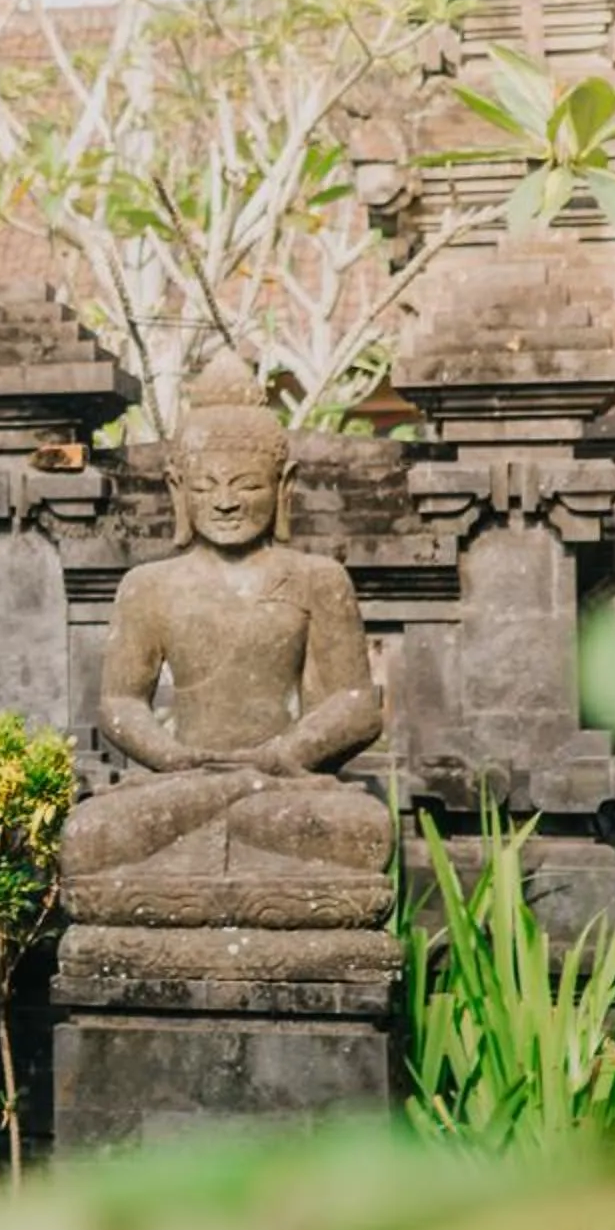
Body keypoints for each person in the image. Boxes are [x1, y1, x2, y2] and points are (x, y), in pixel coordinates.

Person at [64, 360, 392, 928]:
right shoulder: (149, 586)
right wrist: (171, 757)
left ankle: (228, 822)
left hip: (281, 784)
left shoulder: (318, 579)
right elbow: (119, 704)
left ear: (283, 485)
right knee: (88, 836)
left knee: (360, 831)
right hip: (185, 779)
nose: (225, 502)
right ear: (178, 489)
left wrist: (285, 754)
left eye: (246, 485)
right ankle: (223, 821)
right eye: (206, 486)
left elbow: (357, 705)